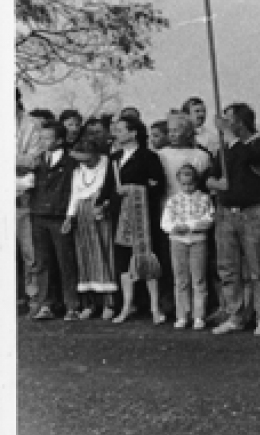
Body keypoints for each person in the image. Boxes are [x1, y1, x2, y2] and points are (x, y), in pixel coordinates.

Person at [206, 103, 260, 336]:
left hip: (252, 213)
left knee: (258, 267)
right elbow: (209, 176)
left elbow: (249, 156)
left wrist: (228, 136)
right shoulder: (225, 149)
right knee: (228, 268)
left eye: (229, 119)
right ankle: (235, 315)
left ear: (240, 121)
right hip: (226, 213)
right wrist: (215, 184)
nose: (224, 123)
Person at [109, 114, 167, 324]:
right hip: (120, 217)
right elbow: (109, 188)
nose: (117, 133)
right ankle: (126, 305)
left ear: (133, 133)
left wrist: (132, 189)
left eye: (121, 129)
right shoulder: (114, 158)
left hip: (143, 217)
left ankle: (154, 307)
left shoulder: (148, 157)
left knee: (147, 257)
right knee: (124, 261)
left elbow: (157, 185)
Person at [29, 120, 80, 321]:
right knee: (43, 261)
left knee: (65, 261)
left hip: (60, 215)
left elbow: (75, 191)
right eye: (41, 138)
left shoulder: (71, 162)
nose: (43, 141)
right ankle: (47, 304)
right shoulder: (37, 161)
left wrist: (69, 215)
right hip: (39, 215)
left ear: (60, 140)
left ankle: (72, 305)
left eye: (47, 137)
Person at [63, 139, 118, 320]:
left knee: (103, 254)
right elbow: (75, 194)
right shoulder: (78, 169)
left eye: (87, 159)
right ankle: (89, 304)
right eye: (81, 160)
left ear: (95, 154)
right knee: (85, 256)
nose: (84, 163)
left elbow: (110, 190)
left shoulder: (107, 164)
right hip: (82, 215)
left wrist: (104, 205)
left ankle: (109, 303)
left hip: (100, 212)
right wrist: (69, 217)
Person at [161, 164, 215, 329]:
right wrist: (173, 228)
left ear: (196, 182)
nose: (187, 187)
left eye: (190, 184)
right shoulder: (173, 200)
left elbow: (209, 219)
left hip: (198, 241)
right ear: (179, 182)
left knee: (198, 279)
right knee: (181, 279)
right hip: (178, 241)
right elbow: (165, 222)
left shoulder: (205, 198)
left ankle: (199, 316)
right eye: (183, 184)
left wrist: (190, 226)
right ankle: (182, 315)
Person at [17, 92, 45, 311]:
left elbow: (34, 160)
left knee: (30, 252)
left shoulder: (31, 125)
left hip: (24, 195)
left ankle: (33, 297)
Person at [158, 114, 212, 198]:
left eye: (176, 131)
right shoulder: (161, 155)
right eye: (170, 131)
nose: (172, 134)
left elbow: (204, 184)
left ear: (188, 132)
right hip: (168, 204)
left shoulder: (201, 156)